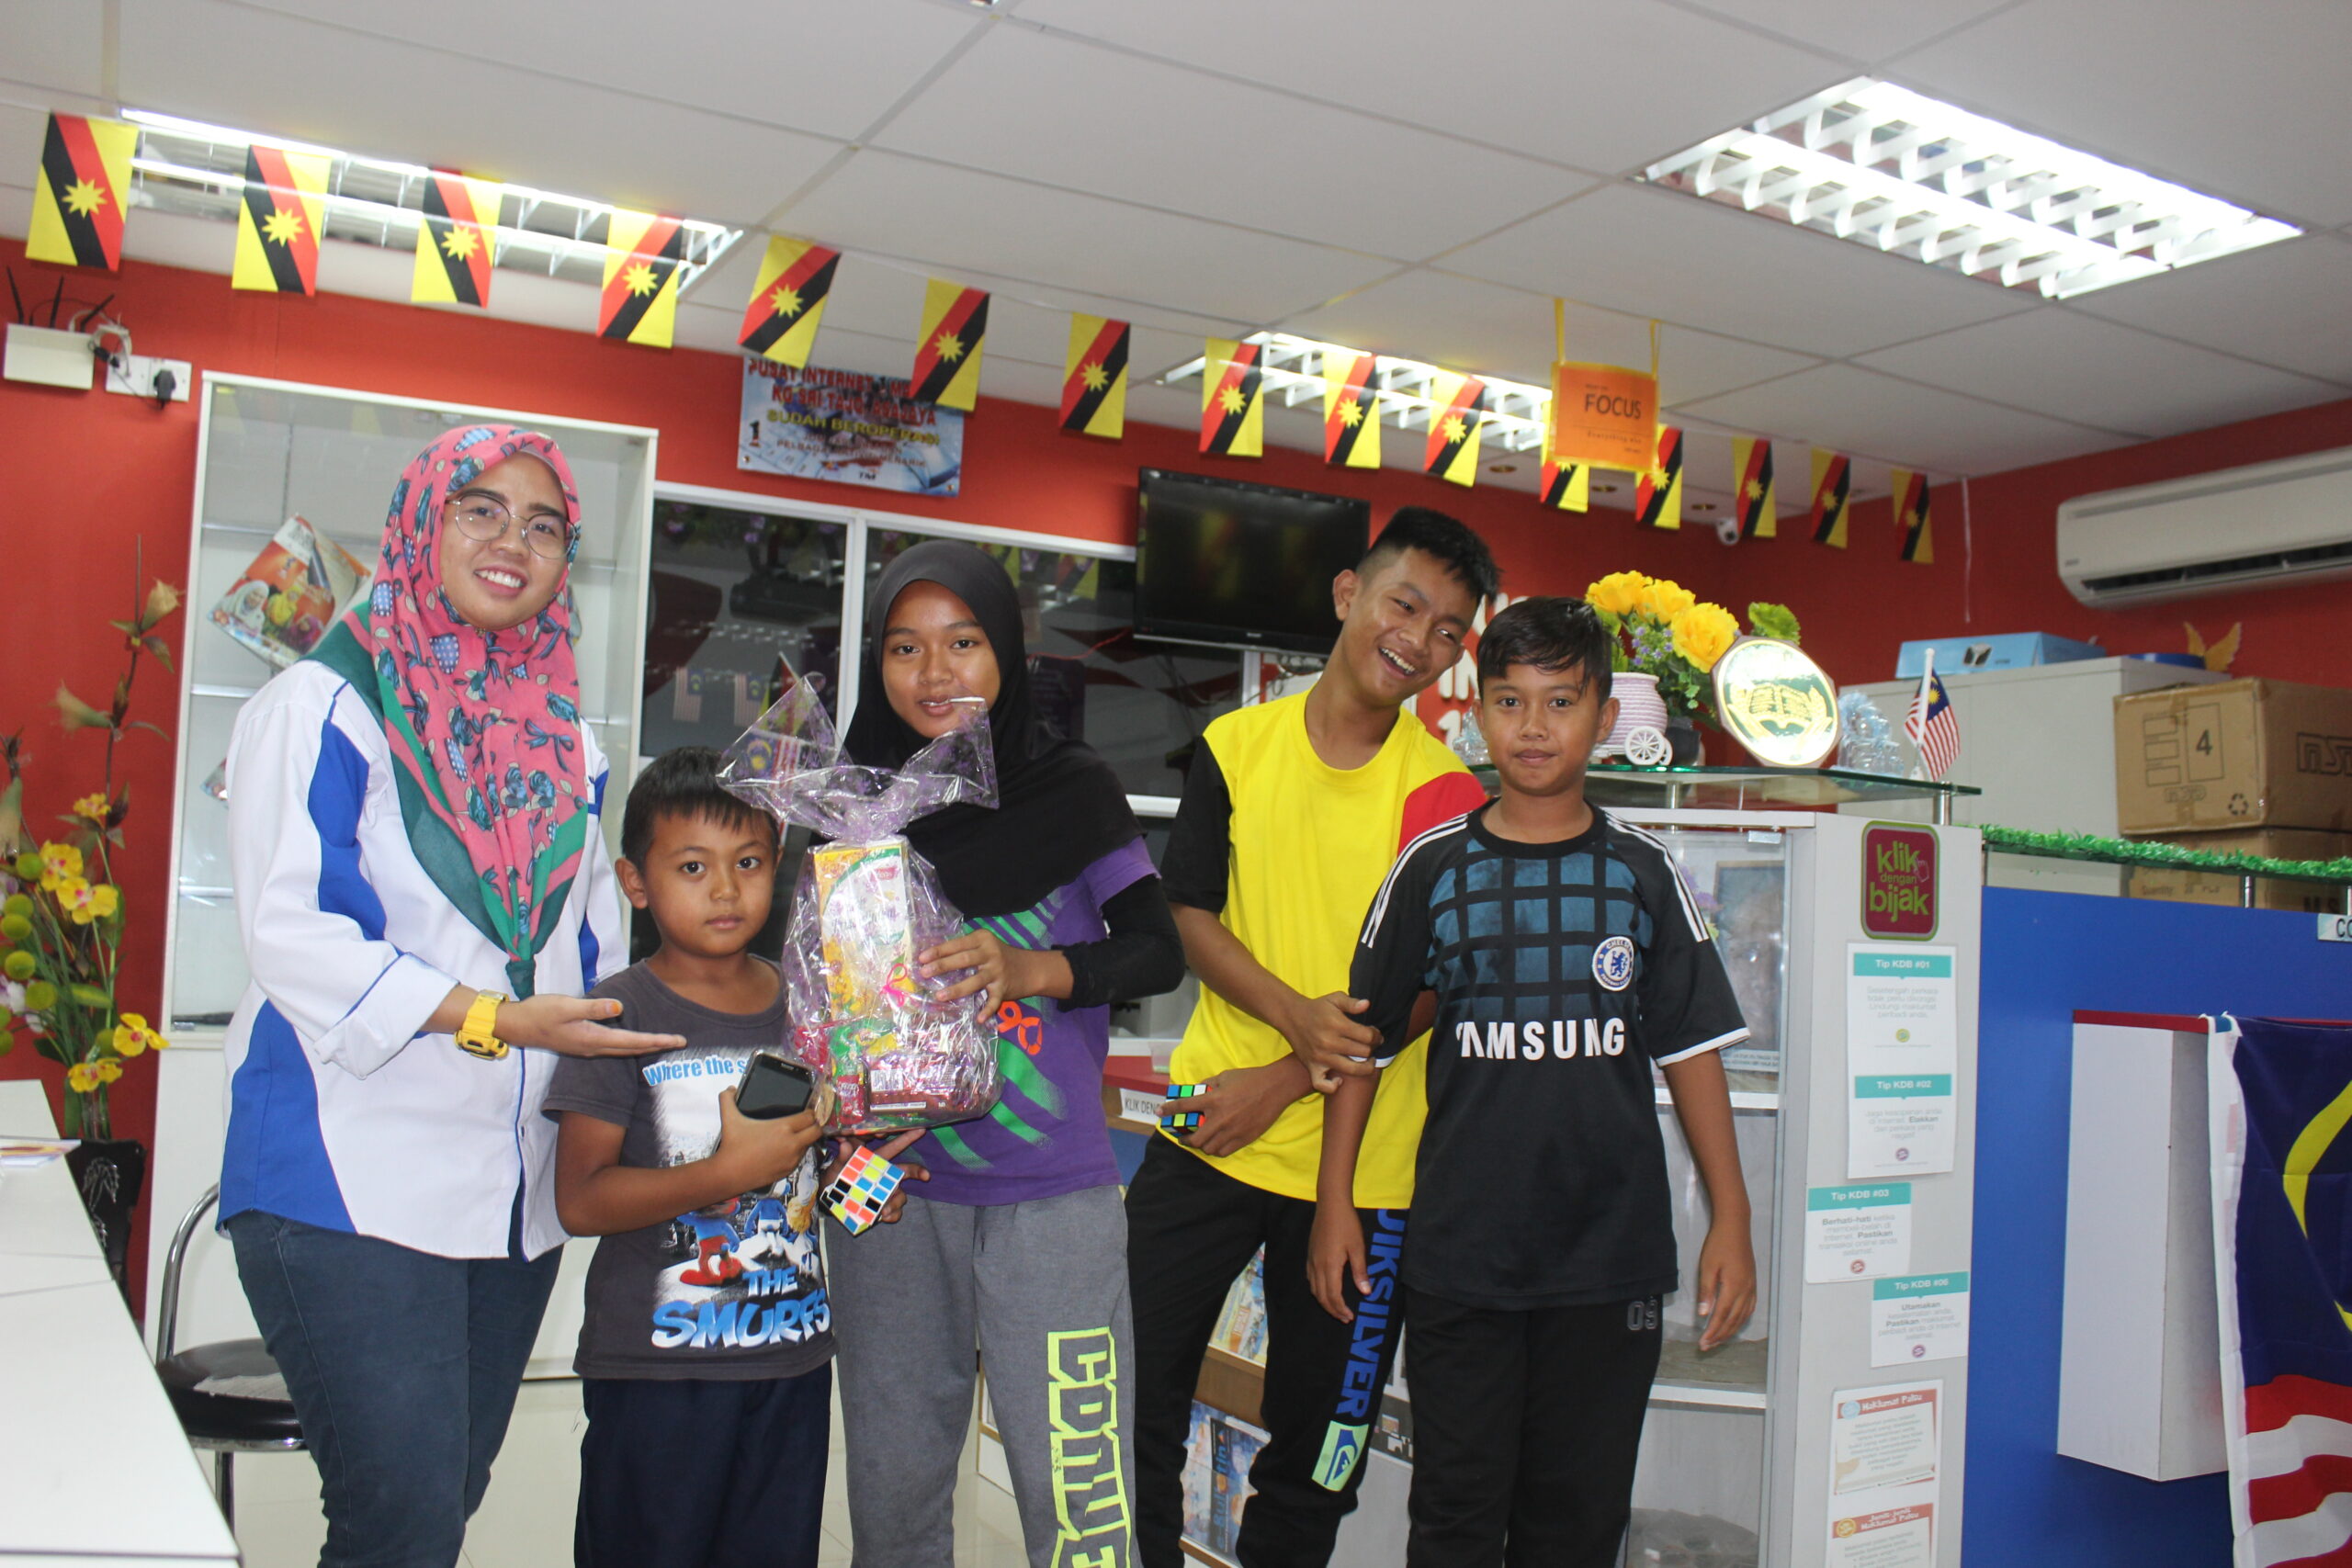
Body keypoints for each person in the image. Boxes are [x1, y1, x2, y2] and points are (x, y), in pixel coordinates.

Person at [220, 426, 683, 1568]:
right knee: (403, 1520)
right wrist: (492, 1017)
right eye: (480, 509)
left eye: (543, 525)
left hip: (513, 1192)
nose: (512, 541)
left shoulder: (567, 744)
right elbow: (294, 933)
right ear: (420, 524)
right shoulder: (323, 706)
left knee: (445, 1502)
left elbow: (592, 949)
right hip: (346, 1174)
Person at [1310, 596, 1758, 1567]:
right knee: (1455, 1520)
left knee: (1578, 1527)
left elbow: (1691, 1051)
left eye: (1561, 702)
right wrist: (1333, 1199)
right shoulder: (1432, 868)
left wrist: (1732, 1217)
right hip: (1459, 1258)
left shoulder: (1645, 874)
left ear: (1605, 716)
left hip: (1608, 1264)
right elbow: (1362, 1047)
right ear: (1478, 713)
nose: (1533, 727)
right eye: (1509, 701)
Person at [1126, 508, 1498, 1568]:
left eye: (1448, 631)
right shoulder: (1235, 747)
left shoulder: (1447, 796)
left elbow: (1431, 992)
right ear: (1347, 595)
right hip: (1206, 1127)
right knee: (1126, 1396)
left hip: (1366, 1174)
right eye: (1403, 605)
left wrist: (1291, 1072)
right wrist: (1296, 1017)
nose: (1418, 641)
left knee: (1324, 1450)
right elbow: (1186, 913)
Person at [826, 540, 1187, 1568]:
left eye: (964, 642)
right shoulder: (850, 805)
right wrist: (831, 1109)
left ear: (1008, 654)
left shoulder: (1070, 789)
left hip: (1052, 1197)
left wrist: (1032, 969)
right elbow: (811, 999)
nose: (935, 672)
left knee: (1078, 1498)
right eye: (905, 648)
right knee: (893, 1491)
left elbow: (1155, 950)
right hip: (887, 1192)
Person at [546, 746, 902, 1568]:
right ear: (636, 882)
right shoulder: (617, 1013)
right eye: (692, 866)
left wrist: (866, 1186)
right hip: (656, 1375)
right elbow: (581, 1198)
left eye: (747, 862)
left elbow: (813, 1161)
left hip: (792, 1362)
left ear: (776, 866)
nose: (725, 889)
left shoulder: (807, 1004)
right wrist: (721, 1174)